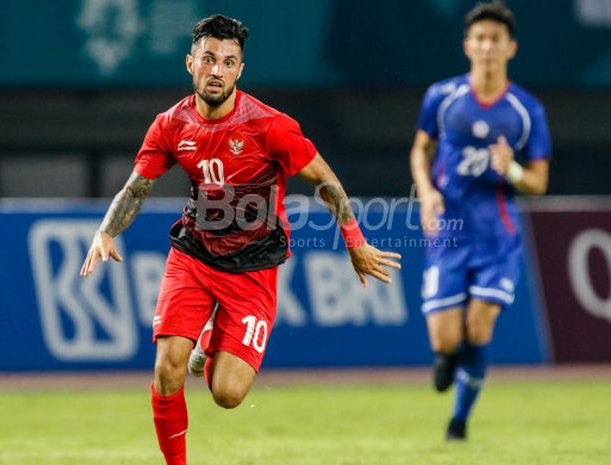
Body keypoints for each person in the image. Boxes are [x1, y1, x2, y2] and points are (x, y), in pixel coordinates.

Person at [80, 14, 401, 465]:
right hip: (194, 255)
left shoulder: (270, 126)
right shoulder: (170, 125)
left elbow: (324, 179)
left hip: (253, 268)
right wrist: (107, 230)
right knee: (167, 368)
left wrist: (355, 242)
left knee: (227, 394)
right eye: (208, 59)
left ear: (240, 70)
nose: (217, 70)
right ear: (190, 63)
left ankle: (210, 340)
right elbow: (136, 187)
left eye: (228, 62)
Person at [410, 1, 551, 441]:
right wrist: (428, 193)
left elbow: (538, 183)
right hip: (448, 234)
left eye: (496, 40)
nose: (488, 47)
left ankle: (459, 421)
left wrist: (510, 169)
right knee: (443, 341)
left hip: (498, 236)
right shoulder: (442, 97)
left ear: (511, 48)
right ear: (467, 45)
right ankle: (452, 358)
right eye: (481, 39)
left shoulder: (527, 111)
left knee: (479, 326)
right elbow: (420, 150)